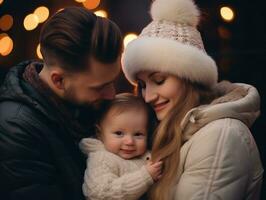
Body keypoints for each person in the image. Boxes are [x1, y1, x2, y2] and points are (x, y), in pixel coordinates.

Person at [122, 0, 264, 199]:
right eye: (143, 85)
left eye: (159, 80)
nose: (148, 97)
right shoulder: (172, 133)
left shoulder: (220, 136)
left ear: (190, 77)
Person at [0, 7, 123, 200]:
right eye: (99, 87)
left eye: (112, 82)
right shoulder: (16, 130)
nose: (111, 94)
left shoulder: (85, 106)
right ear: (58, 81)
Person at [79, 93, 162, 200]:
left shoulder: (148, 156)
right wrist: (145, 177)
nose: (129, 141)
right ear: (100, 133)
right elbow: (99, 193)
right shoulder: (102, 159)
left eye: (138, 134)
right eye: (119, 133)